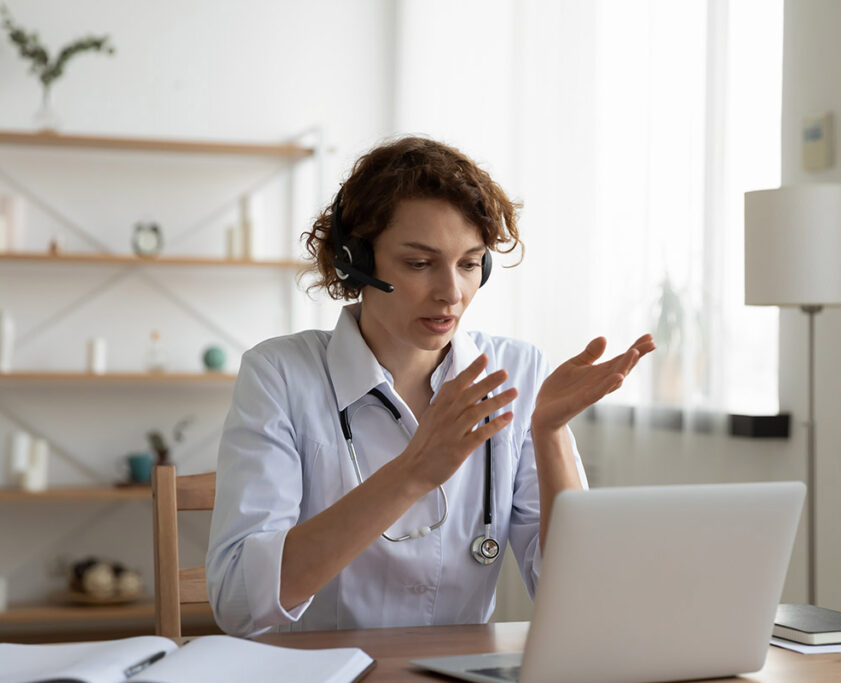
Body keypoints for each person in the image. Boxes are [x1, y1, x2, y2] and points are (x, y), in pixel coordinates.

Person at [206, 137, 655, 635]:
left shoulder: (518, 371)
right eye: (419, 264)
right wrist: (412, 474)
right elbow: (238, 605)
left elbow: (579, 604)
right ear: (357, 260)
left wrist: (549, 435)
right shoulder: (279, 374)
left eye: (469, 263)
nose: (451, 293)